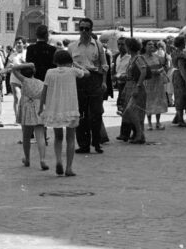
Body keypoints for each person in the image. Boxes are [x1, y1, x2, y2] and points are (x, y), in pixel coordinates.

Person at [40, 49, 85, 176]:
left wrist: (41, 107)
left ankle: (59, 160)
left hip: (55, 108)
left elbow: (44, 90)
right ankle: (69, 168)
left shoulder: (49, 72)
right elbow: (86, 73)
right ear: (69, 61)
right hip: (70, 107)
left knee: (58, 137)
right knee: (71, 138)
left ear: (56, 61)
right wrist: (76, 64)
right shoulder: (72, 71)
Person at [70, 18, 109, 154]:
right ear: (79, 30)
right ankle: (83, 144)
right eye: (82, 28)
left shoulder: (98, 45)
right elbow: (69, 66)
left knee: (96, 113)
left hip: (94, 79)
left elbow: (104, 65)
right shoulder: (72, 46)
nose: (84, 31)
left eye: (87, 29)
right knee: (81, 114)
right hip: (79, 81)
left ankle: (97, 142)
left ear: (91, 30)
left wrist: (103, 81)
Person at [120, 38, 148, 144]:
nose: (124, 48)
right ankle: (139, 134)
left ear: (130, 47)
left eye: (126, 45)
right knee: (133, 111)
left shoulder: (138, 58)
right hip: (130, 86)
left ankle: (140, 134)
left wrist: (138, 86)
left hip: (137, 87)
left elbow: (144, 71)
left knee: (130, 111)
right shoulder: (132, 59)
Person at [142, 40, 168, 130]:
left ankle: (158, 122)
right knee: (148, 102)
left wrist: (161, 72)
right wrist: (153, 72)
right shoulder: (142, 58)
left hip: (158, 82)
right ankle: (149, 123)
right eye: (149, 44)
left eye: (152, 45)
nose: (151, 46)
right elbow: (142, 71)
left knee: (158, 101)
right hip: (148, 82)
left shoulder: (157, 56)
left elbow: (161, 67)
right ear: (144, 46)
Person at [170, 36, 186, 127]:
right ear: (182, 43)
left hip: (177, 74)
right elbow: (181, 67)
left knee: (180, 95)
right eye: (184, 42)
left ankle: (177, 117)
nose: (185, 44)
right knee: (181, 96)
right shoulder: (180, 54)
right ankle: (180, 120)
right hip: (180, 76)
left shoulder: (176, 52)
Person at [113, 37, 133, 140]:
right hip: (120, 85)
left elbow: (130, 72)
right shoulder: (117, 57)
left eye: (122, 44)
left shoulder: (130, 57)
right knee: (122, 109)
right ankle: (125, 132)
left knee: (127, 109)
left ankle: (127, 133)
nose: (120, 46)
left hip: (128, 84)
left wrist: (122, 76)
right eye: (119, 44)